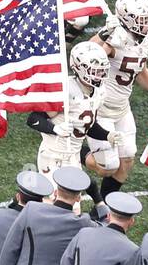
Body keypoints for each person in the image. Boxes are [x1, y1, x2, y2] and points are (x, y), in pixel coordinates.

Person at [83, 0, 148, 201]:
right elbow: (88, 53)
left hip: (122, 108)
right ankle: (77, 152)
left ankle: (105, 206)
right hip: (101, 109)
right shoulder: (115, 39)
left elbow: (139, 68)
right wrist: (104, 33)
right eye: (143, 20)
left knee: (127, 159)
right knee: (107, 167)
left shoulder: (145, 40)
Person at [28, 42, 107, 185]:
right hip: (53, 156)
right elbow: (33, 119)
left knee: (74, 206)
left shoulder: (99, 92)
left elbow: (87, 125)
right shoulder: (66, 90)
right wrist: (55, 129)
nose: (100, 75)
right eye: (95, 71)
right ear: (79, 68)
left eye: (101, 71)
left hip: (74, 156)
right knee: (53, 203)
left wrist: (108, 135)